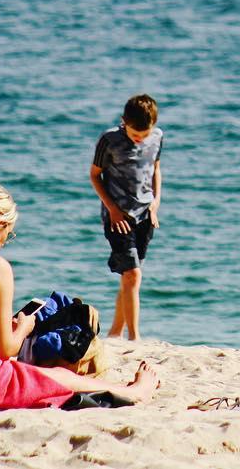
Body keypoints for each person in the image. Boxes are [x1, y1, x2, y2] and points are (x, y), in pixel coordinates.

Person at [0, 181, 158, 409]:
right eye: (9, 233)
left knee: (37, 373)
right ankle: (134, 392)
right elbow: (6, 350)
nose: (5, 241)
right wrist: (24, 327)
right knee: (60, 377)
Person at [89, 94, 163, 340]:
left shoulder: (157, 137)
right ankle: (134, 337)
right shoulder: (109, 139)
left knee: (130, 277)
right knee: (133, 274)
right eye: (134, 134)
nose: (139, 138)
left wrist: (156, 202)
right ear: (124, 121)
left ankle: (115, 333)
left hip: (145, 216)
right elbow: (94, 175)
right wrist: (112, 209)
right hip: (118, 217)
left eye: (144, 134)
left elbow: (156, 169)